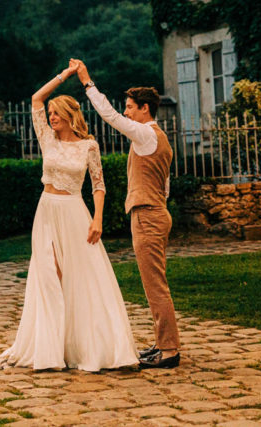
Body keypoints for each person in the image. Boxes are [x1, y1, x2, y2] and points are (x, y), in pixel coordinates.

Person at [0, 64, 137, 372]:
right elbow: (36, 99)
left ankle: (84, 346)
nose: (51, 117)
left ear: (69, 115)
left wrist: (98, 220)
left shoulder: (88, 145)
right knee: (49, 276)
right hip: (47, 212)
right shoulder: (46, 139)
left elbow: (98, 185)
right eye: (51, 113)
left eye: (57, 113)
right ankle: (51, 348)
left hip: (74, 213)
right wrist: (64, 76)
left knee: (81, 279)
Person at [72, 59, 180, 369]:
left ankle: (169, 351)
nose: (127, 111)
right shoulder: (159, 139)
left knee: (155, 285)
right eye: (127, 107)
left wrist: (87, 83)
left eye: (131, 107)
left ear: (145, 109)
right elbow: (165, 184)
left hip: (147, 215)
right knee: (154, 283)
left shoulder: (146, 135)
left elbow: (110, 116)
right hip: (155, 210)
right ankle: (162, 344)